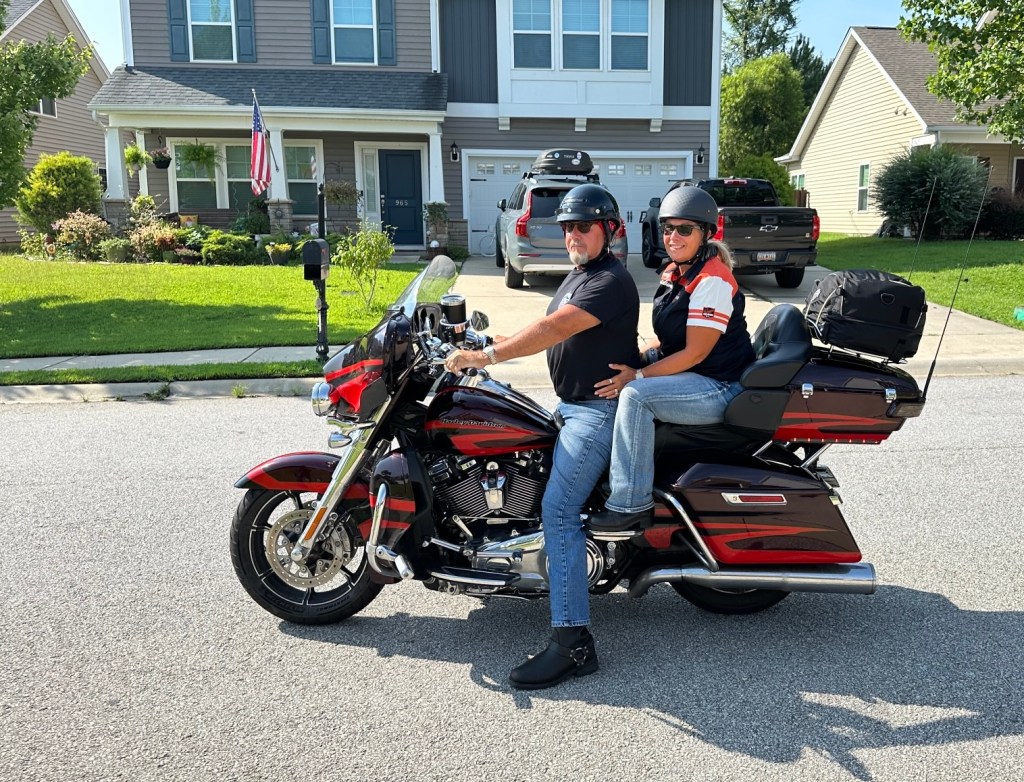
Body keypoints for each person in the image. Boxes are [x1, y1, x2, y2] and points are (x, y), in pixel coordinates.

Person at [443, 183, 640, 690]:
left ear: (609, 231)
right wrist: (484, 340)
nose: (573, 234)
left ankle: (573, 644)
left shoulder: (609, 281)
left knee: (558, 510)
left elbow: (553, 332)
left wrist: (486, 358)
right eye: (567, 227)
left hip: (594, 414)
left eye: (584, 226)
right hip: (573, 406)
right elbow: (544, 323)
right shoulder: (580, 275)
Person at [588, 185, 756, 532]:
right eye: (668, 228)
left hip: (721, 386)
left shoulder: (712, 282)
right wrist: (636, 355)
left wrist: (637, 376)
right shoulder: (676, 272)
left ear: (706, 233)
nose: (673, 237)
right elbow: (670, 338)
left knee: (636, 397)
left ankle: (629, 504)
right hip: (698, 375)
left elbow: (696, 352)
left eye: (684, 229)